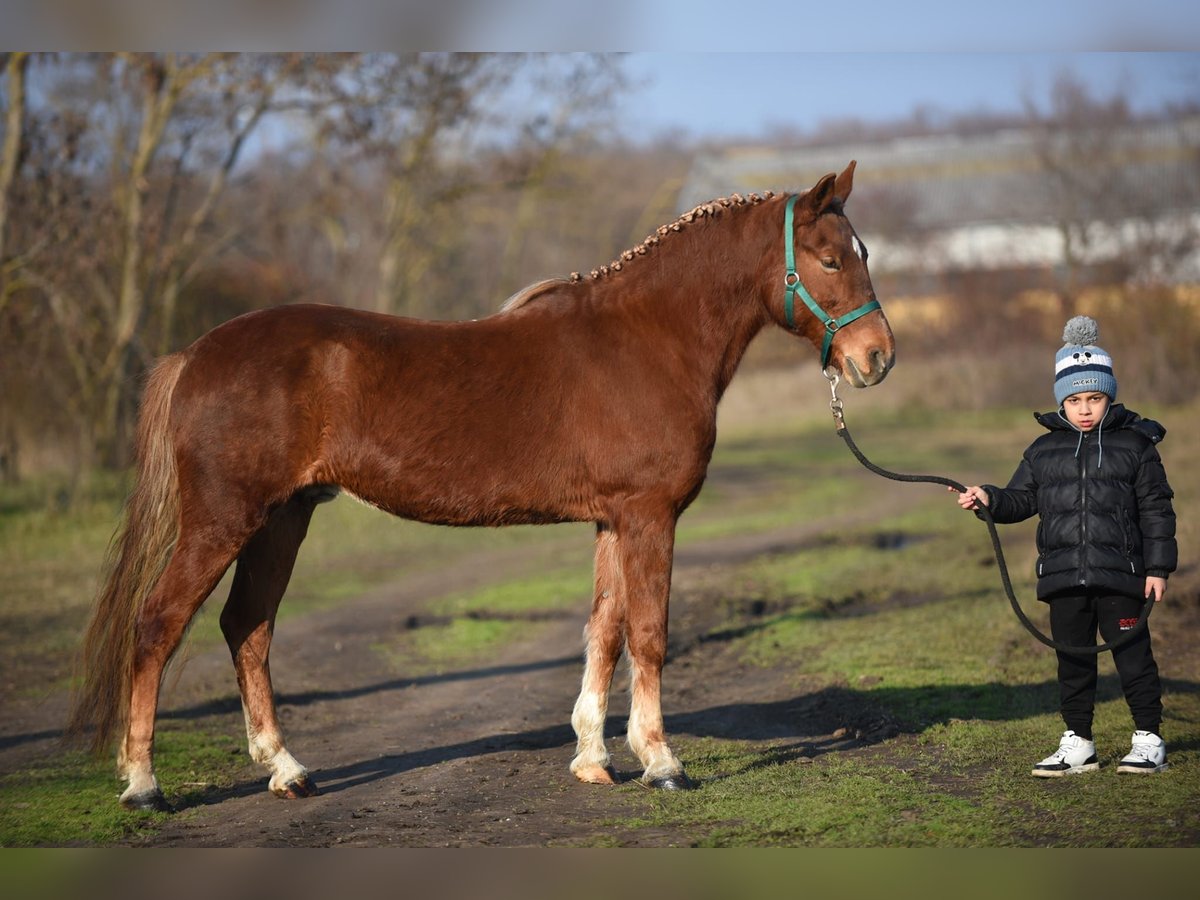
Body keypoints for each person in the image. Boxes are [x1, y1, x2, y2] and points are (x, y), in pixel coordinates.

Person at [953, 316, 1177, 777]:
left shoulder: (1136, 446)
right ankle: (1079, 743)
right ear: (1062, 401)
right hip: (1063, 578)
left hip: (1123, 576)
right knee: (1073, 663)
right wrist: (988, 498)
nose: (1085, 409)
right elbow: (1021, 500)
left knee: (1133, 658)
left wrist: (1158, 569)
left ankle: (1149, 739)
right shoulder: (1042, 450)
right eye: (1074, 400)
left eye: (1094, 398)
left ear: (1108, 395)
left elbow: (1157, 510)